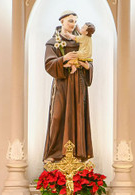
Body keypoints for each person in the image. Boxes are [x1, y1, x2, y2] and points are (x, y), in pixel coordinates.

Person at [43, 11, 93, 162]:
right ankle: (54, 153)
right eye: (70, 21)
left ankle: (78, 155)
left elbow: (89, 60)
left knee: (77, 116)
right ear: (62, 21)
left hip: (78, 84)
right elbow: (49, 64)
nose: (73, 24)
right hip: (62, 84)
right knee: (57, 116)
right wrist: (64, 58)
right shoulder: (53, 42)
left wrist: (86, 66)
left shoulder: (81, 41)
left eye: (75, 21)